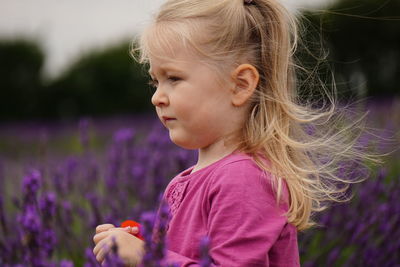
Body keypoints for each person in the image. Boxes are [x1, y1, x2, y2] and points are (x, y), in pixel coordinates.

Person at [92, 0, 375, 266]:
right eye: (155, 81)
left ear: (240, 85)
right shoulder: (186, 181)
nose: (157, 97)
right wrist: (140, 242)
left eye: (174, 78)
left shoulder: (243, 179)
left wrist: (147, 257)